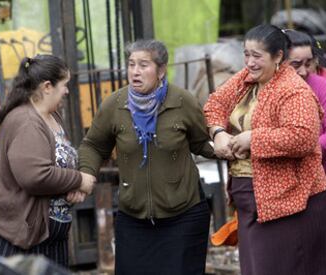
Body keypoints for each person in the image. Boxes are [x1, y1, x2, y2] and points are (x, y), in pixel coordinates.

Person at [79, 39, 214, 275]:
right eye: (131, 65)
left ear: (161, 70)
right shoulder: (115, 105)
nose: (135, 72)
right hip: (134, 218)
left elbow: (201, 142)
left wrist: (227, 148)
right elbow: (93, 145)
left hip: (183, 216)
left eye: (143, 65)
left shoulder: (182, 102)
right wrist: (86, 172)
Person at [204, 24, 326, 275]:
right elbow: (215, 102)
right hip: (251, 196)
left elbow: (303, 137)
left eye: (257, 56)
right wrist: (218, 132)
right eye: (246, 54)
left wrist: (253, 139)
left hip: (289, 200)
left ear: (278, 57)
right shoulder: (246, 79)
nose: (249, 62)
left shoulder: (293, 90)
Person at [0, 54, 96, 274]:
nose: (67, 91)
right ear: (48, 86)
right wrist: (79, 180)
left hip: (44, 239)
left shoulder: (51, 115)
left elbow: (59, 161)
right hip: (9, 236)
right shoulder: (27, 121)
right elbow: (35, 176)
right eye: (64, 85)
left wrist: (72, 188)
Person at [284, 29, 326, 172]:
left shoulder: (321, 86)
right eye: (296, 65)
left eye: (308, 63)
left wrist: (305, 148)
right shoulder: (261, 86)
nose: (303, 71)